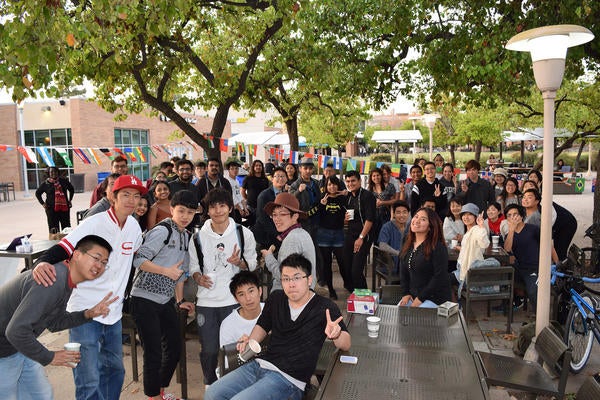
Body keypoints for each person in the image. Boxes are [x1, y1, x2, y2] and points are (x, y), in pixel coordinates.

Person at [31, 174, 147, 400]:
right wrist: (41, 262)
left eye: (136, 196)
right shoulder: (95, 222)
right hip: (84, 311)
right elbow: (65, 247)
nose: (131, 201)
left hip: (113, 313)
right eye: (126, 195)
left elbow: (130, 258)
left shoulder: (133, 226)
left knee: (114, 370)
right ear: (112, 196)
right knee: (88, 377)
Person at [204, 253, 351, 400]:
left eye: (297, 278)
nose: (291, 284)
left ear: (309, 280)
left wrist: (336, 334)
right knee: (212, 393)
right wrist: (251, 341)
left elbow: (346, 343)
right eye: (286, 279)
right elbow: (262, 325)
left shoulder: (324, 307)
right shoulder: (276, 298)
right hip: (259, 365)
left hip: (289, 380)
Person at [0, 235, 117, 400]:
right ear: (76, 255)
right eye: (96, 258)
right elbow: (15, 331)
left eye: (104, 263)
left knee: (41, 395)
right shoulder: (53, 279)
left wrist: (88, 314)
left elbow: (54, 323)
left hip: (20, 346)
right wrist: (51, 357)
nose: (99, 266)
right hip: (4, 350)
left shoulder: (66, 280)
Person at [130, 190, 196, 400]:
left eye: (191, 212)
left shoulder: (186, 236)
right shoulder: (162, 231)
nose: (185, 216)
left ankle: (158, 391)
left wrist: (180, 300)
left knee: (175, 348)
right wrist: (165, 271)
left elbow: (181, 274)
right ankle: (154, 396)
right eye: (181, 211)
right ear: (172, 209)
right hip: (143, 299)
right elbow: (138, 259)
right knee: (154, 352)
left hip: (165, 300)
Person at [189, 188, 257, 386]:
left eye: (222, 206)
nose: (218, 211)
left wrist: (240, 263)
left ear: (229, 208)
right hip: (206, 302)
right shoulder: (198, 237)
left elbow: (252, 264)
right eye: (213, 207)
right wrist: (198, 277)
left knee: (235, 348)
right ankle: (210, 386)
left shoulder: (243, 234)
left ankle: (233, 386)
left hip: (234, 300)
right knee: (209, 350)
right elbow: (193, 266)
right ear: (207, 211)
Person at [261, 192, 316, 292]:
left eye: (282, 214)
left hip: (288, 296)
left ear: (295, 216)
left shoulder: (292, 239)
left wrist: (268, 257)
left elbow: (284, 276)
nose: (277, 219)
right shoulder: (302, 233)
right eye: (274, 215)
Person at [398, 207, 451, 308]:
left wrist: (420, 299)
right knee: (398, 314)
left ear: (430, 226)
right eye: (416, 216)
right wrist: (405, 293)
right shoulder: (407, 240)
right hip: (413, 295)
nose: (416, 221)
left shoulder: (437, 246)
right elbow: (403, 269)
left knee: (416, 318)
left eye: (423, 219)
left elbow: (439, 277)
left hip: (435, 297)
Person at [288, 157, 323, 284]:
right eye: (305, 168)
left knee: (318, 251)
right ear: (300, 169)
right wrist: (298, 191)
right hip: (303, 223)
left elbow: (318, 200)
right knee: (306, 252)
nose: (308, 171)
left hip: (316, 221)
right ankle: (306, 279)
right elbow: (290, 201)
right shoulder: (295, 185)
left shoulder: (315, 183)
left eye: (310, 168)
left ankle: (320, 279)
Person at [342, 170, 376, 292]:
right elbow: (349, 219)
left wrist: (361, 238)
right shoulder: (349, 197)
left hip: (364, 236)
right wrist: (345, 219)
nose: (350, 184)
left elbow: (370, 220)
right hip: (350, 234)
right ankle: (355, 294)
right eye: (348, 181)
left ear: (360, 181)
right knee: (346, 265)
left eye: (353, 181)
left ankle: (365, 297)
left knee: (356, 270)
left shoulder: (368, 196)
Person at [316, 175, 346, 300]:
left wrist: (345, 193)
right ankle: (331, 289)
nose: (332, 187)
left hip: (338, 234)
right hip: (324, 235)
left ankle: (348, 283)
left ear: (338, 186)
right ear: (326, 186)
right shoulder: (322, 198)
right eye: (329, 184)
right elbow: (316, 215)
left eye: (334, 184)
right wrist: (322, 205)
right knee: (326, 264)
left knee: (342, 262)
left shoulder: (343, 198)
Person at [219, 271, 264, 347]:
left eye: (251, 291)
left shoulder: (274, 311)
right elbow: (228, 357)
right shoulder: (228, 325)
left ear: (260, 291)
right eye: (241, 294)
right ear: (236, 299)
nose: (248, 298)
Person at [453, 203, 490, 287]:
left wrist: (481, 226)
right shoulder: (468, 232)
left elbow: (485, 244)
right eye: (464, 215)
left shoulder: (477, 229)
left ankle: (455, 299)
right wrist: (461, 248)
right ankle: (455, 299)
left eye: (469, 214)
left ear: (475, 216)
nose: (466, 217)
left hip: (469, 271)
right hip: (462, 268)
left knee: (444, 280)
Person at [252, 167, 287, 251]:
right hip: (265, 236)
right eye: (277, 176)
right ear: (272, 178)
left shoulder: (285, 194)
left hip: (279, 234)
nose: (280, 178)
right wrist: (276, 234)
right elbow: (262, 218)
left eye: (283, 176)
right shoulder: (264, 196)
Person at [35, 166, 75, 234]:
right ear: (49, 173)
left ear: (58, 172)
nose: (53, 173)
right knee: (53, 229)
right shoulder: (45, 184)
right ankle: (55, 243)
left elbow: (71, 189)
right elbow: (38, 193)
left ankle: (65, 243)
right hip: (51, 210)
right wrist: (43, 203)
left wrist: (70, 200)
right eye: (51, 172)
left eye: (55, 171)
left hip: (64, 209)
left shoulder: (64, 181)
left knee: (66, 228)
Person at [377, 200, 410, 274]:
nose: (402, 215)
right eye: (398, 212)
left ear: (408, 214)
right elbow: (382, 245)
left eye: (404, 212)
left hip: (408, 263)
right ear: (394, 214)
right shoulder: (387, 227)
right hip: (391, 264)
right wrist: (399, 253)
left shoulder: (410, 227)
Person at [198, 158, 233, 223]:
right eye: (211, 165)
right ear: (206, 168)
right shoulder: (201, 183)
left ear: (219, 168)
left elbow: (230, 201)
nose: (214, 167)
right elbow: (197, 202)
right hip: (206, 219)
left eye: (216, 165)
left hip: (223, 218)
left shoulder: (225, 182)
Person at [368, 167, 396, 242]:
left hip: (386, 214)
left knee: (384, 236)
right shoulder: (370, 188)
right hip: (373, 215)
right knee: (374, 237)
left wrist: (383, 202)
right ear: (371, 177)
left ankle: (383, 252)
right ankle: (375, 253)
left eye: (378, 175)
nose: (376, 177)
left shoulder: (390, 186)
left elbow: (394, 201)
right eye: (374, 176)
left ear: (381, 176)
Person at [241, 160, 270, 227]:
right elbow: (242, 191)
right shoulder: (248, 178)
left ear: (262, 167)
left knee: (261, 224)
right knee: (252, 224)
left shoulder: (265, 179)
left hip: (263, 206)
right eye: (256, 165)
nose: (258, 167)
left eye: (260, 165)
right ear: (253, 167)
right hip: (251, 206)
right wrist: (248, 199)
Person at [224, 157, 249, 224]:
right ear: (228, 170)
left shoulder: (237, 181)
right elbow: (232, 197)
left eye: (236, 168)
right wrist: (240, 209)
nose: (234, 170)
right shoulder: (227, 181)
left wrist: (245, 208)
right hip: (234, 209)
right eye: (232, 169)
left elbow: (239, 195)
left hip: (240, 208)